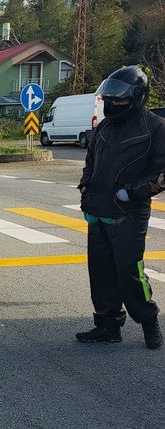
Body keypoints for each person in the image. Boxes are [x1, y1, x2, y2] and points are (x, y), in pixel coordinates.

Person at [76, 65, 165, 350]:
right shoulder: (104, 127)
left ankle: (149, 320)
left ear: (137, 96)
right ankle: (108, 324)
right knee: (100, 272)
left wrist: (133, 193)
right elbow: (90, 163)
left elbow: (162, 174)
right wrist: (85, 190)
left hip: (129, 213)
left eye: (120, 99)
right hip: (98, 210)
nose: (113, 103)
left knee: (129, 271)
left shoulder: (155, 128)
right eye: (109, 99)